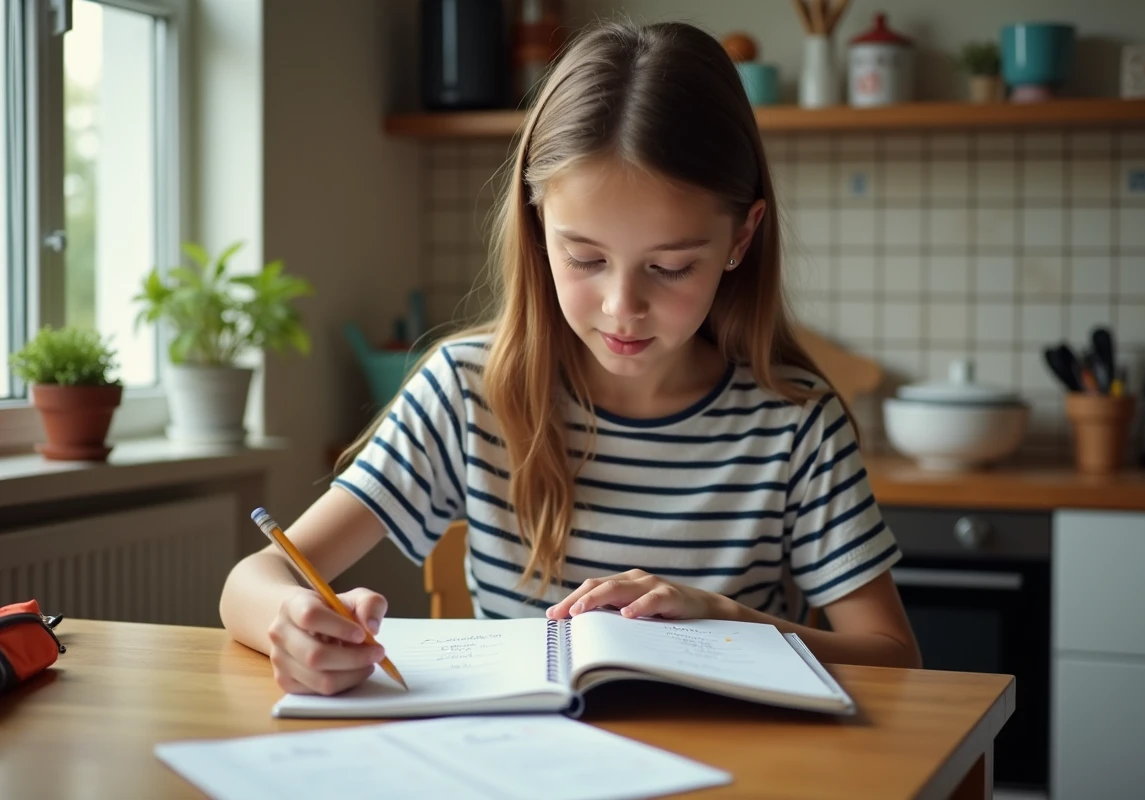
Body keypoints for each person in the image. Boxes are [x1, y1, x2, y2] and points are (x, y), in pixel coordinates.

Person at [219, 19, 920, 697]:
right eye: (584, 258)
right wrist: (294, 624)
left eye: (670, 267)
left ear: (741, 237)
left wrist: (729, 619)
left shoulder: (796, 426)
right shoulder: (470, 392)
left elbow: (895, 661)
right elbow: (254, 578)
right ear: (536, 224)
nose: (622, 306)